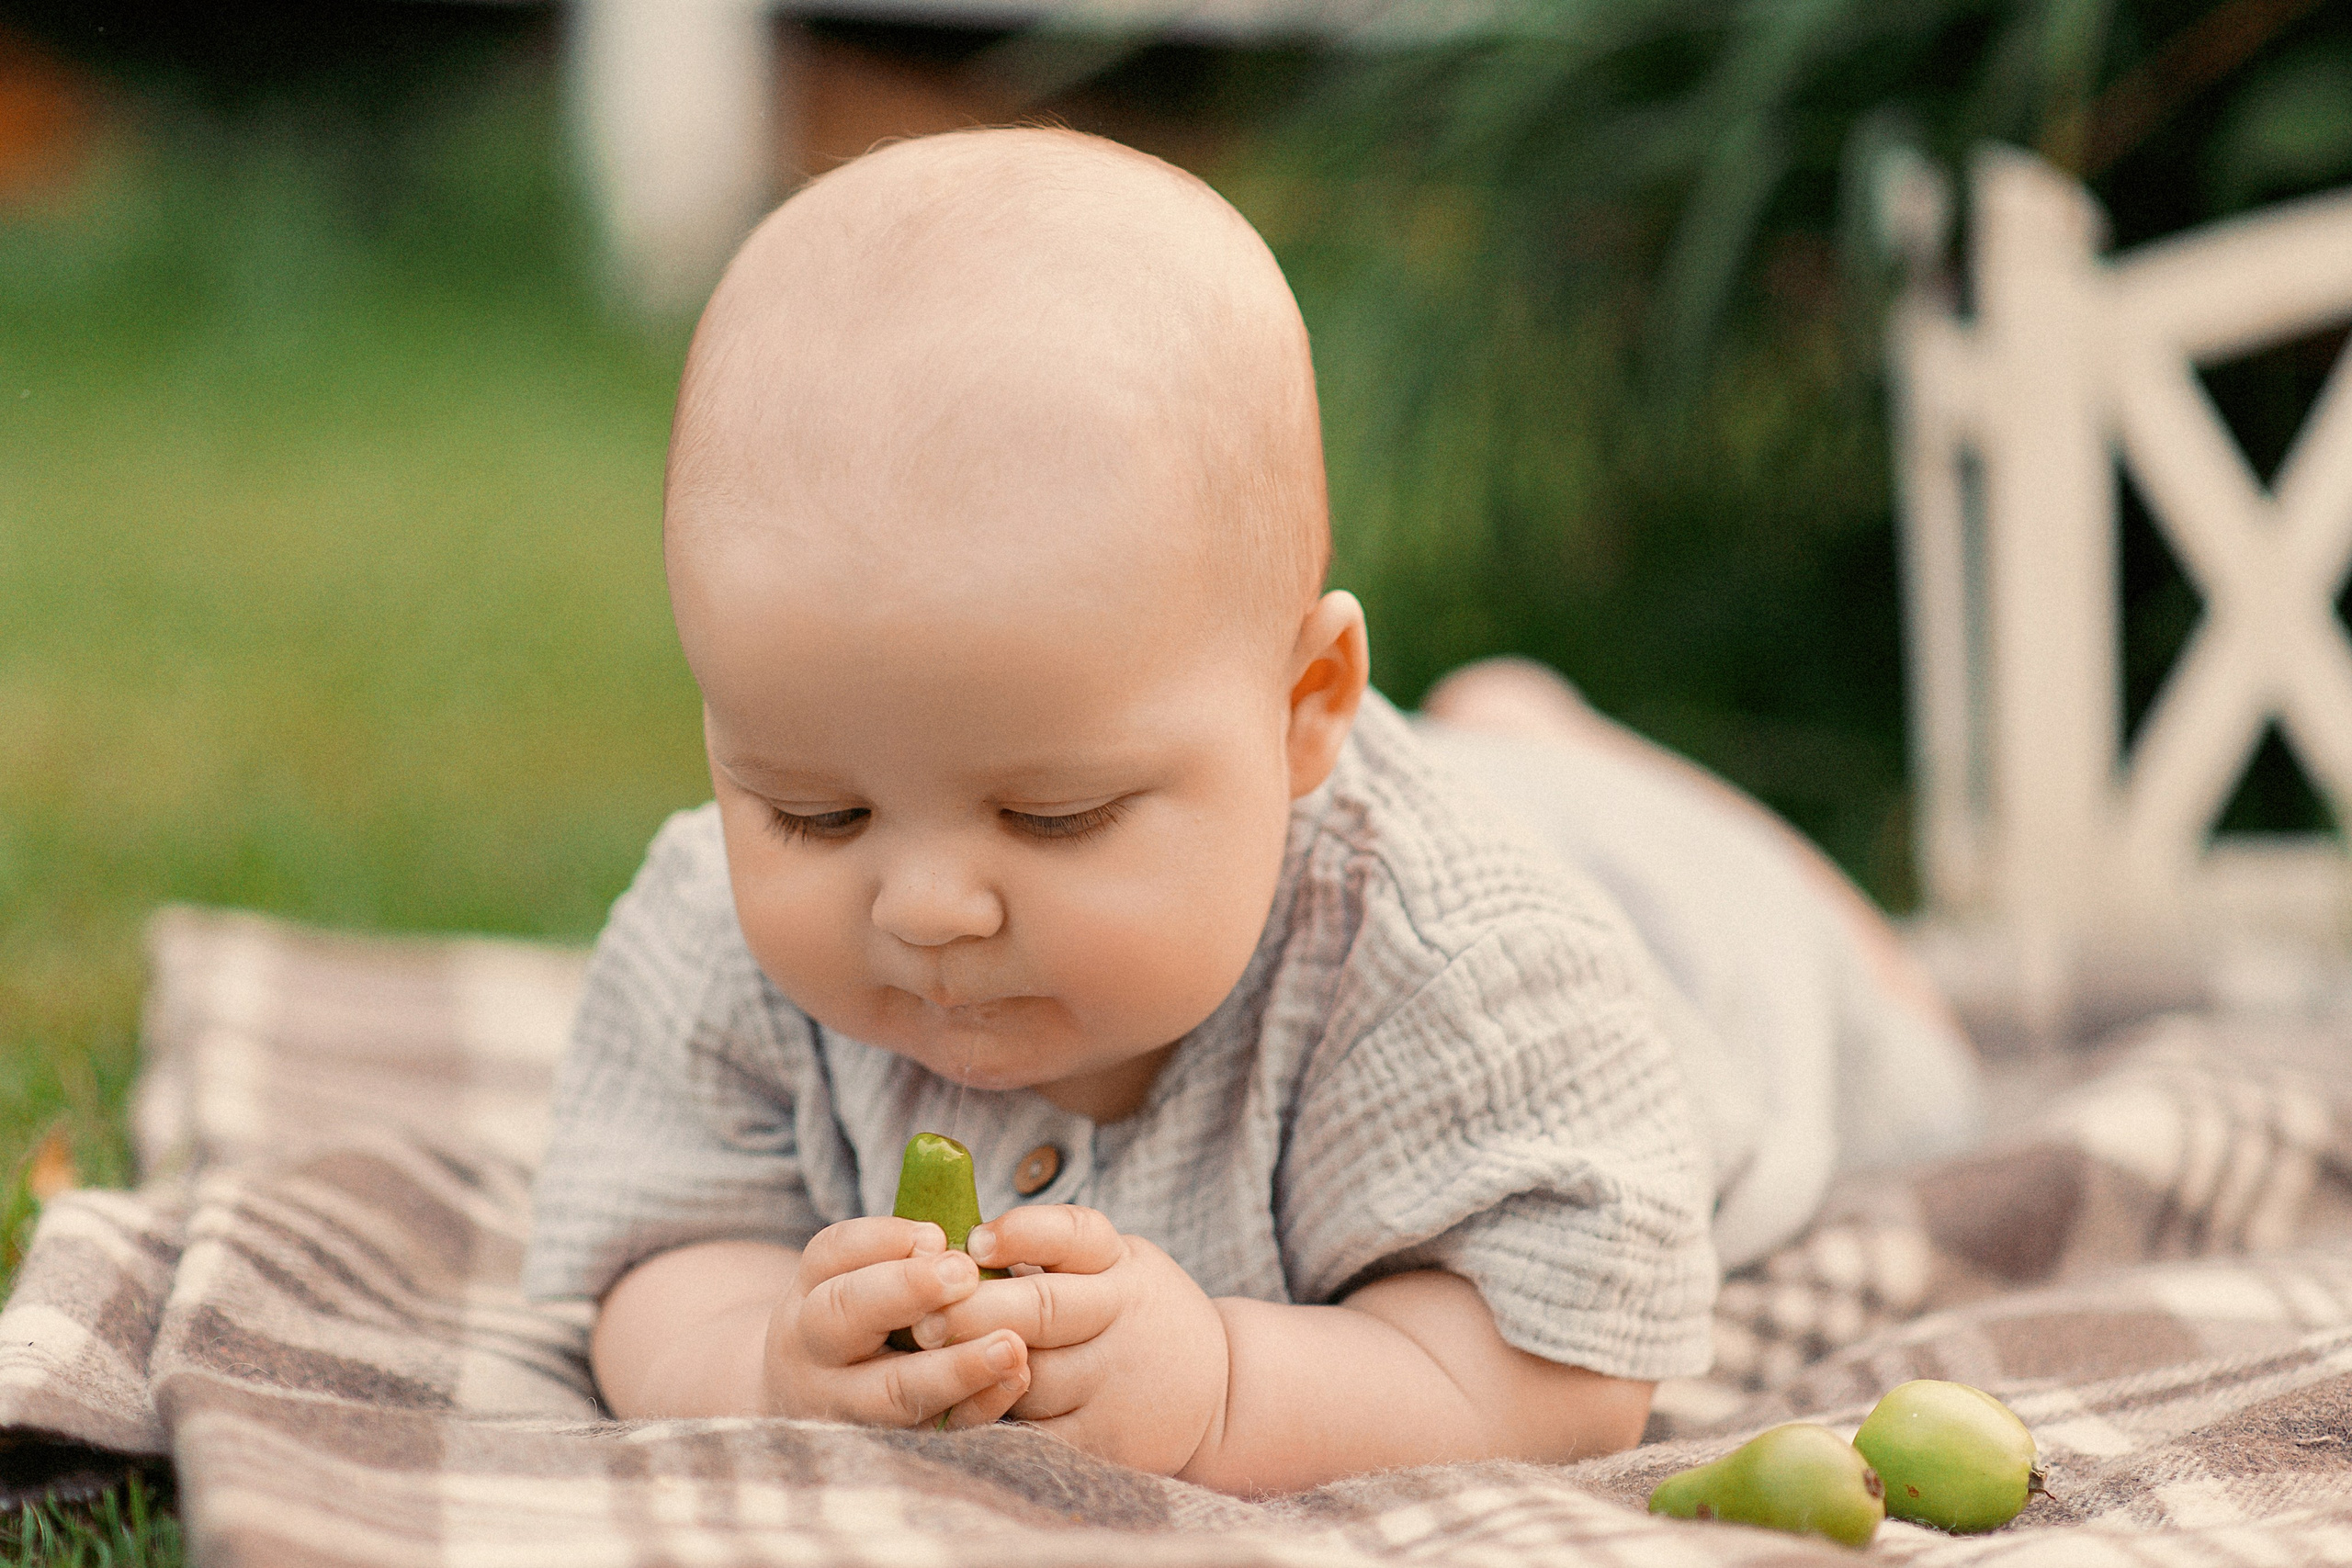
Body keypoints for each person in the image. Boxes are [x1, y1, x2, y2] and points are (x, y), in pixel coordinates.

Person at [522, 126, 1980, 1495]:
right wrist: (759, 1364)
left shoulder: (1473, 975)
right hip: (1416, 802)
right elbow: (660, 1259)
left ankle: (1633, 798)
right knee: (1519, 769)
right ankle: (1513, 731)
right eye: (815, 813)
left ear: (1306, 706)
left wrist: (1227, 1389)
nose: (924, 908)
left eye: (1056, 815)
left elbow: (1567, 1376)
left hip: (1705, 966)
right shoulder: (707, 939)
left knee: (1828, 999)